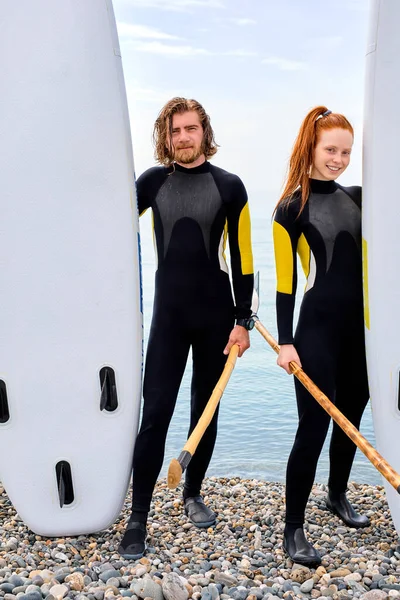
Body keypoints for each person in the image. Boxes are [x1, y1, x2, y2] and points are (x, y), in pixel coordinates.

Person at [119, 97, 254, 559]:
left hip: (217, 318)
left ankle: (192, 493)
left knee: (205, 412)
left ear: (204, 132)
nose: (183, 138)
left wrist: (242, 321)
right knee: (154, 413)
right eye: (175, 131)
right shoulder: (152, 183)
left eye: (191, 129)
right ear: (166, 135)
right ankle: (138, 517)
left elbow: (243, 259)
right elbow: (110, 227)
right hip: (169, 318)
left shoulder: (230, 186)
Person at [273, 106, 370, 566]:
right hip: (315, 332)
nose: (338, 159)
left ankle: (335, 494)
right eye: (330, 149)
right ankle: (293, 529)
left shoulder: (361, 198)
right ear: (310, 147)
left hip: (361, 334)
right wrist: (287, 342)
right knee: (313, 426)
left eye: (346, 151)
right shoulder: (291, 208)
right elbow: (286, 283)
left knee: (350, 418)